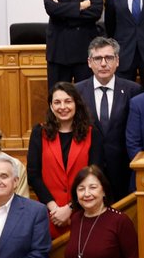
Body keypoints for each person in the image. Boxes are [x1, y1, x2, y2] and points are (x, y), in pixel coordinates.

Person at [26, 82, 103, 235]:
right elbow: (33, 175)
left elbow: (96, 173)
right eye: (57, 102)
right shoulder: (38, 132)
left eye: (68, 101)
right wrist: (54, 209)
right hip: (49, 215)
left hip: (84, 211)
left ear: (76, 103)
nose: (63, 107)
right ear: (51, 106)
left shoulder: (91, 133)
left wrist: (70, 208)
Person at [77, 36, 142, 198]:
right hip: (88, 168)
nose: (104, 63)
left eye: (109, 58)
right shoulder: (76, 91)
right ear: (89, 62)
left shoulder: (133, 90)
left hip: (123, 169)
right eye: (98, 58)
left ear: (117, 61)